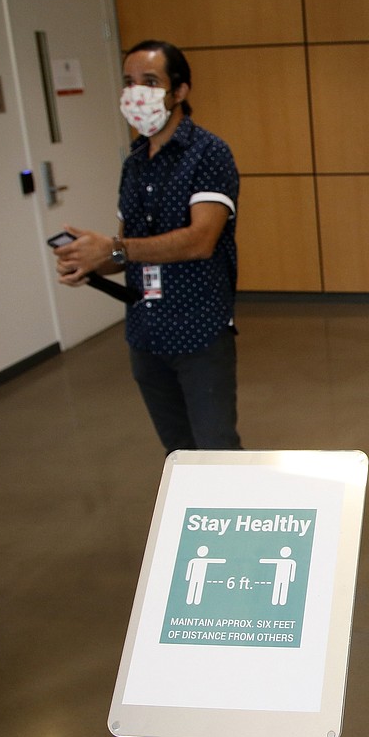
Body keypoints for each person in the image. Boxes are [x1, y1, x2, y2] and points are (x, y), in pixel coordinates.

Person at [52, 39, 242, 453]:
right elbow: (126, 248)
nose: (137, 91)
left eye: (150, 81)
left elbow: (200, 241)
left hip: (198, 330)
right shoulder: (134, 162)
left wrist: (114, 248)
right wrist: (90, 260)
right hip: (146, 335)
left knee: (217, 450)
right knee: (178, 452)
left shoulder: (208, 153)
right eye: (129, 81)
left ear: (179, 91)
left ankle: (234, 516)